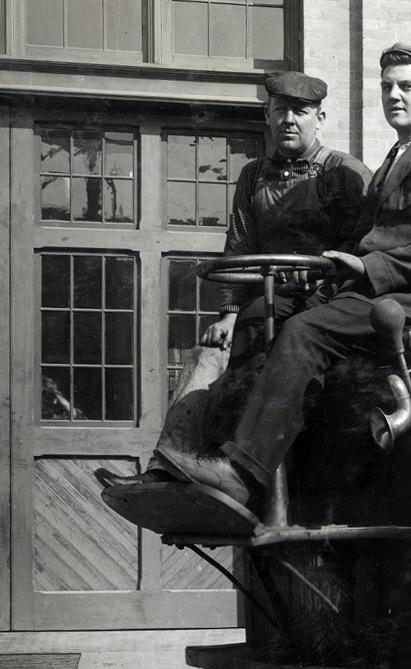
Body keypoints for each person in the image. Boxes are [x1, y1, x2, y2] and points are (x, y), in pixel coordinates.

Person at [152, 43, 411, 516]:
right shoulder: (392, 161)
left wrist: (367, 269)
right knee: (259, 318)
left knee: (304, 330)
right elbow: (360, 239)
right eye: (388, 86)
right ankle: (212, 463)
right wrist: (329, 272)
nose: (394, 95)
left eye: (407, 86)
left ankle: (244, 473)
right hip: (368, 292)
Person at [97, 71, 371, 488]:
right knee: (212, 349)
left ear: (321, 116)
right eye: (281, 111)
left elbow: (364, 245)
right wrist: (225, 314)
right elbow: (240, 247)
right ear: (267, 115)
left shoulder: (342, 173)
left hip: (323, 303)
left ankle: (236, 474)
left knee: (257, 323)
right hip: (265, 297)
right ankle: (167, 468)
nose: (290, 120)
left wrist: (326, 279)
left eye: (301, 112)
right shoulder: (253, 176)